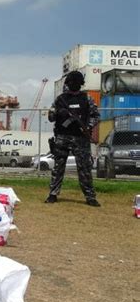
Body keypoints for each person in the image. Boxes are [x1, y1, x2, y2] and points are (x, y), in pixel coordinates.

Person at [45, 70, 101, 207]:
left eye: (76, 82)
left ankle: (90, 196)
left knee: (85, 169)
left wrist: (87, 126)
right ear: (68, 84)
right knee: (58, 167)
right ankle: (53, 194)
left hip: (81, 137)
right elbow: (51, 117)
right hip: (62, 137)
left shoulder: (87, 98)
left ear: (80, 84)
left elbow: (96, 116)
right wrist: (58, 112)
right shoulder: (60, 99)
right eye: (72, 82)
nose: (74, 84)